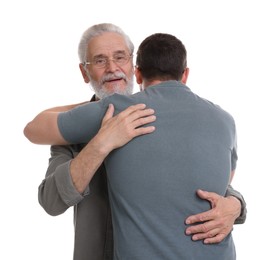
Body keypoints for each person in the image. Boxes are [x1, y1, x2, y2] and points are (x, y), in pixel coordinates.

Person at [24, 24, 246, 259]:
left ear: (134, 67)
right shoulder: (69, 134)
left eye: (120, 57)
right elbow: (50, 201)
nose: (112, 68)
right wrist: (101, 143)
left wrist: (236, 204)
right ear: (84, 72)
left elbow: (197, 181)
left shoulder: (172, 117)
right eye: (100, 61)